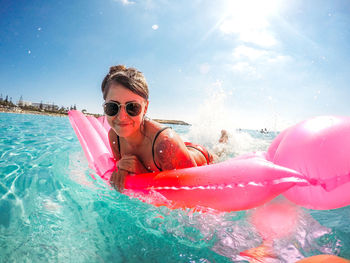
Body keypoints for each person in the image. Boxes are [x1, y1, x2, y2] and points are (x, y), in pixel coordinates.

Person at [101, 65, 213, 192]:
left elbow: (193, 190)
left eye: (132, 107)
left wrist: (142, 171)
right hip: (179, 150)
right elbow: (120, 169)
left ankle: (222, 142)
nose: (121, 117)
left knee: (218, 153)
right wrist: (121, 167)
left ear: (145, 108)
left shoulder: (166, 144)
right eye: (112, 107)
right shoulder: (114, 136)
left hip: (199, 154)